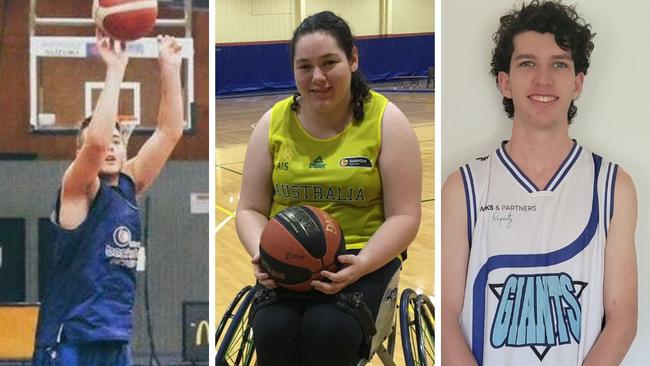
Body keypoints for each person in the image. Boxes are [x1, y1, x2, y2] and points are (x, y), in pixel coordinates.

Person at [441, 1, 637, 365]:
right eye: (527, 63)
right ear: (505, 82)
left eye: (559, 64)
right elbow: (449, 317)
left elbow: (622, 318)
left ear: (578, 83)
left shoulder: (613, 186)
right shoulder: (464, 188)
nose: (543, 79)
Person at [235, 11, 422, 366]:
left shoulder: (387, 122)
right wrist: (263, 252)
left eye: (329, 63)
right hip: (287, 260)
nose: (317, 77)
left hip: (361, 257)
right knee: (272, 329)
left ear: (352, 59)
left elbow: (406, 215)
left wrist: (363, 263)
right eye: (305, 66)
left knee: (329, 329)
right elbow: (249, 209)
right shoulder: (271, 124)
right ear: (293, 70)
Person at [32, 31, 184, 366]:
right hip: (69, 339)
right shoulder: (77, 189)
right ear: (80, 152)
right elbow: (96, 144)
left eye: (118, 140)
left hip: (115, 339)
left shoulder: (129, 185)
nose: (111, 146)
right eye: (105, 141)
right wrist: (116, 69)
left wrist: (170, 68)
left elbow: (169, 131)